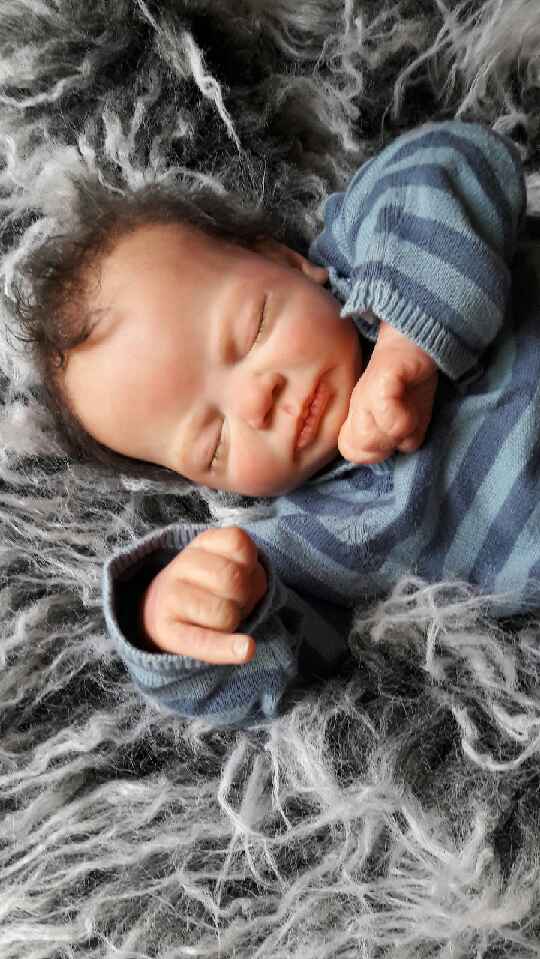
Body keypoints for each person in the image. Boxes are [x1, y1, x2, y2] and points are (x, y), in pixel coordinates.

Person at [12, 120, 530, 727]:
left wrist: (405, 337)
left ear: (287, 262)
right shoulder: (315, 538)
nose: (257, 401)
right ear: (207, 484)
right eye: (215, 442)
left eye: (252, 330)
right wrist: (174, 618)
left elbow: (460, 158)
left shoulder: (371, 243)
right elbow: (273, 667)